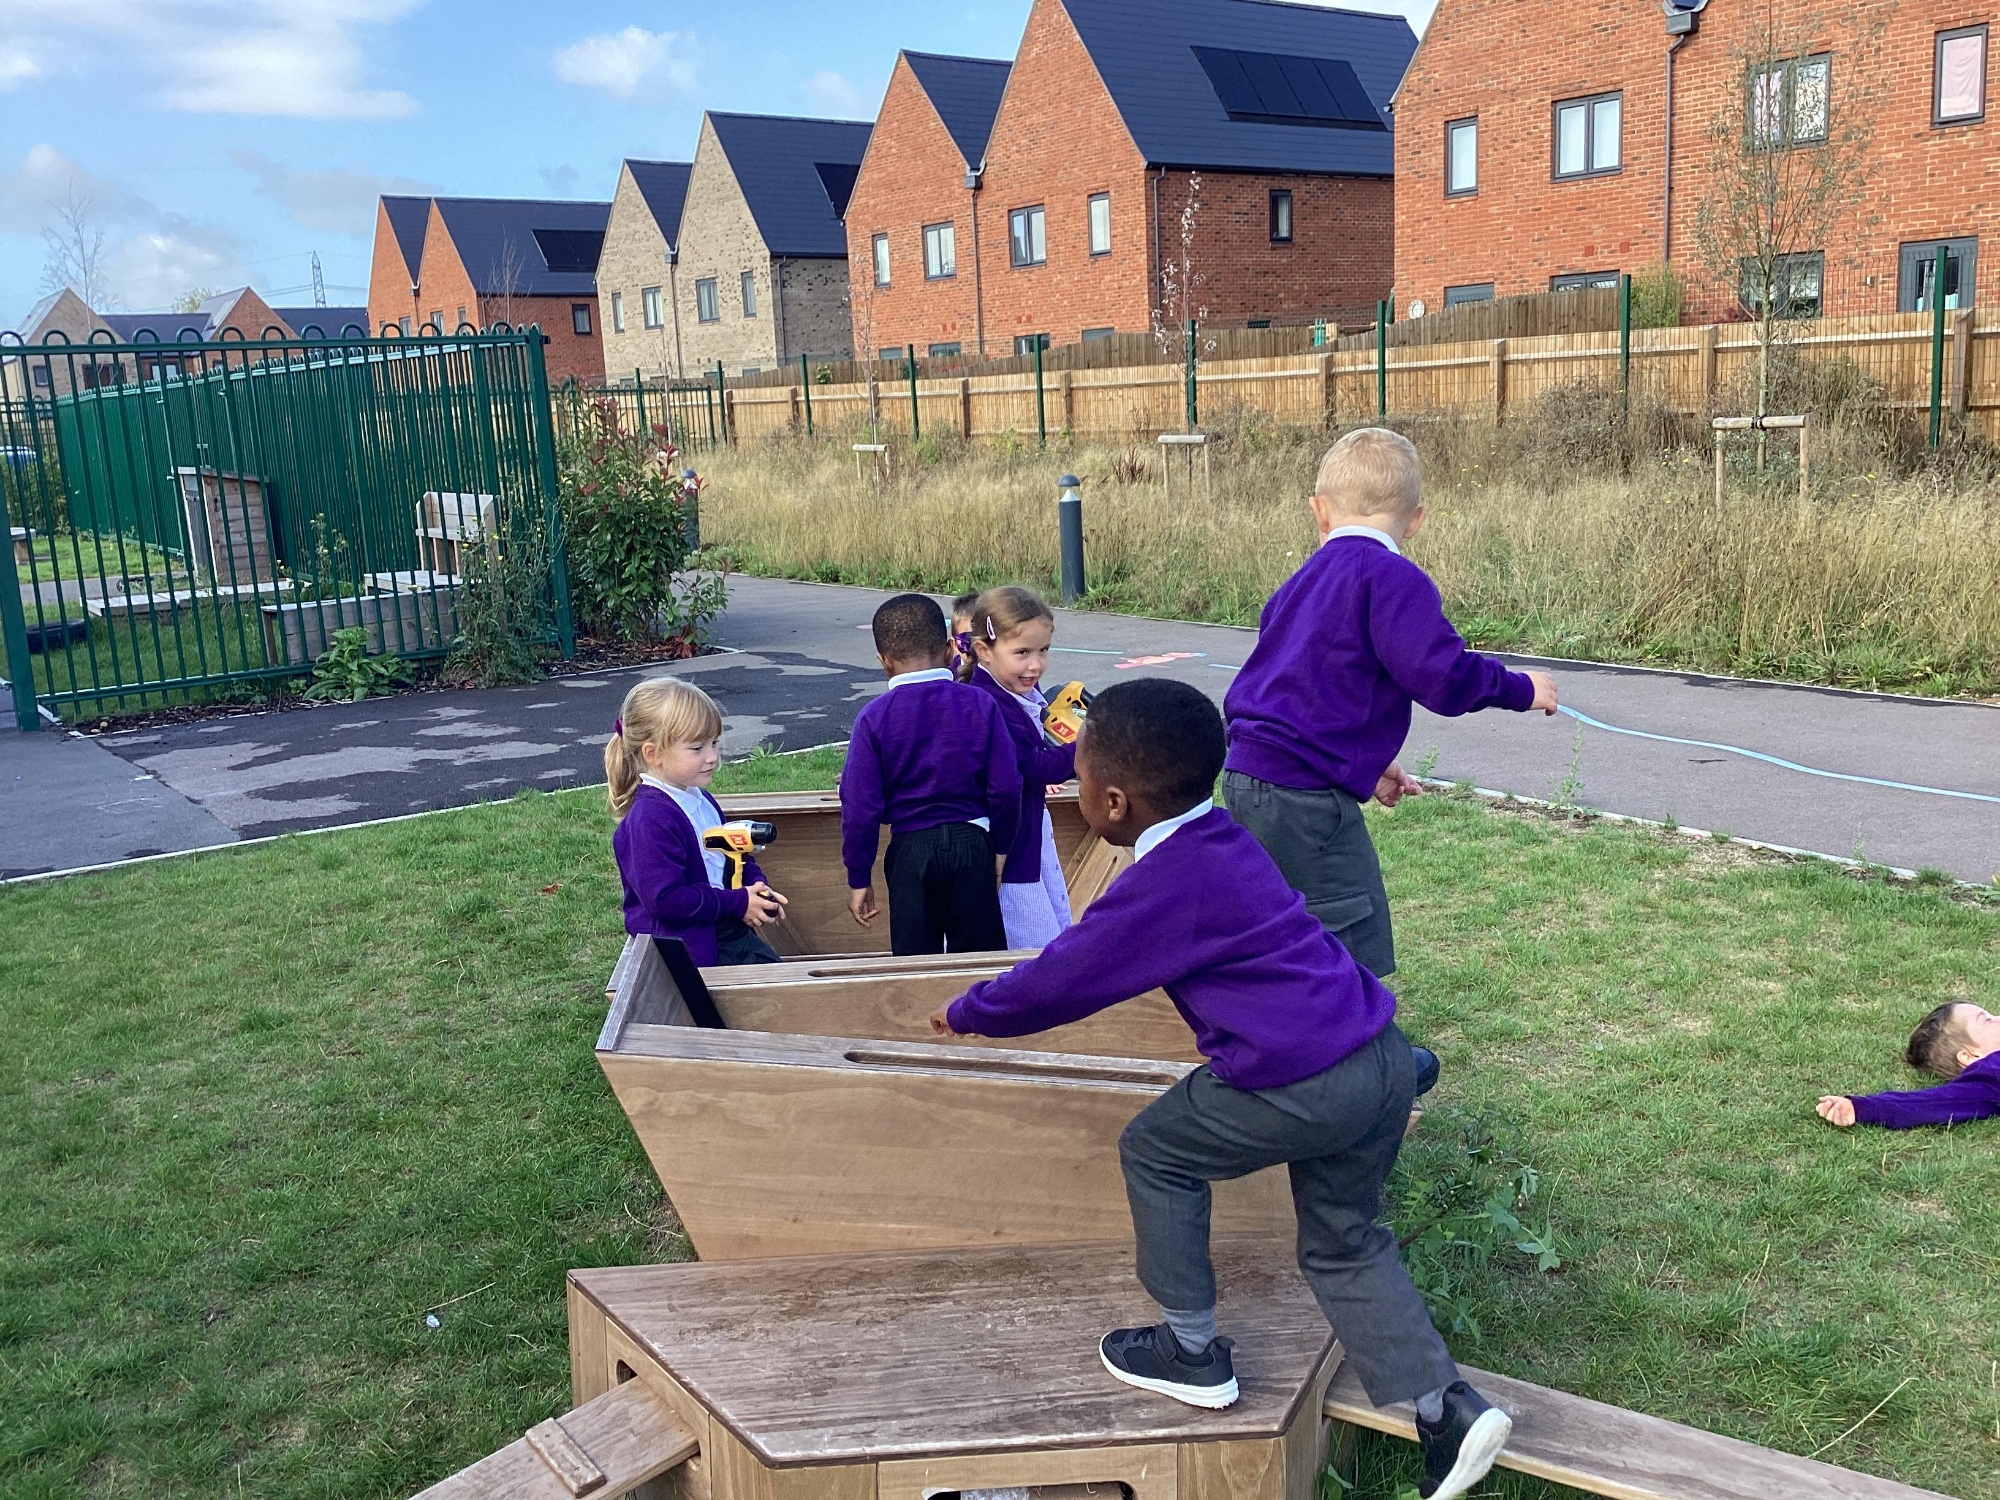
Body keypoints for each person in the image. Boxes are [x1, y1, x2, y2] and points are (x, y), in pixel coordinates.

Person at [931, 679, 1510, 1500]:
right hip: (1379, 1055)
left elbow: (1063, 978)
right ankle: (1446, 1410)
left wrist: (969, 1012)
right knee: (1344, 1242)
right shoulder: (1227, 836)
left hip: (1305, 1082)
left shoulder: (1161, 884)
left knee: (1156, 1151)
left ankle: (1190, 1351)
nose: (1075, 788)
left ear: (1114, 802)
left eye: (1079, 777)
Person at [1222, 427, 1558, 978]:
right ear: (1417, 518)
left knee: (1279, 918)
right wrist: (1519, 688)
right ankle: (1353, 1029)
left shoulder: (1300, 583)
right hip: (1303, 796)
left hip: (1248, 776)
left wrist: (1363, 763)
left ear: (1319, 511)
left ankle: (1277, 1013)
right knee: (1347, 923)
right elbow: (1439, 673)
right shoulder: (1392, 577)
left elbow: (1308, 688)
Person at [843, 593, 1023, 955]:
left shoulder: (873, 717)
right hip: (973, 843)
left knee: (915, 963)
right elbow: (1007, 787)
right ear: (948, 650)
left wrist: (859, 876)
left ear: (884, 661)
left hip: (910, 851)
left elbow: (859, 807)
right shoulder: (980, 703)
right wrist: (1001, 847)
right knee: (980, 962)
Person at [608, 676, 787, 967]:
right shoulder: (649, 819)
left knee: (783, 985)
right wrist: (738, 902)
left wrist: (757, 888)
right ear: (653, 753)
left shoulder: (700, 799)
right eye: (697, 748)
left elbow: (735, 856)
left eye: (714, 744)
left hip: (726, 929)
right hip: (689, 952)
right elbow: (666, 899)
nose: (713, 757)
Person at [961, 585, 1077, 949]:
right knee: (1034, 946)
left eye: (1044, 650)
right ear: (984, 651)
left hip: (1023, 838)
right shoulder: (991, 705)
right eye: (1022, 653)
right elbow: (1034, 766)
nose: (1036, 665)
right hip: (1009, 849)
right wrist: (1086, 749)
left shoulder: (1009, 694)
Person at [1816, 1002, 2000, 1129]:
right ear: (1970, 1056)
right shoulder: (1990, 1074)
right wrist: (1861, 1107)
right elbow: (1932, 1103)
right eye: (1987, 1020)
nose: (1997, 1017)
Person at [949, 590, 982, 677]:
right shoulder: (948, 677)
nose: (975, 648)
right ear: (955, 645)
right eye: (967, 640)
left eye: (983, 639)